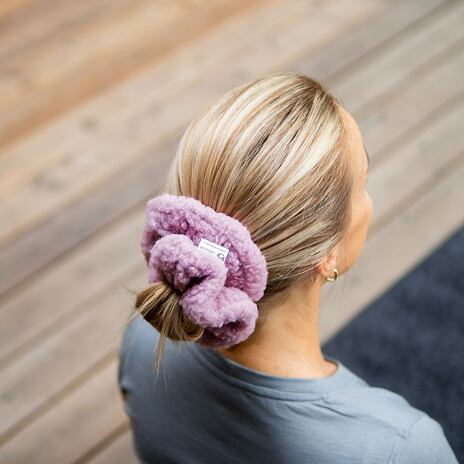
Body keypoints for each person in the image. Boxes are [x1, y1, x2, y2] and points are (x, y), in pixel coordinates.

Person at [117, 72, 458, 463]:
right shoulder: (401, 448)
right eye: (362, 181)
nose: (369, 200)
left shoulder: (145, 332)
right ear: (326, 253)